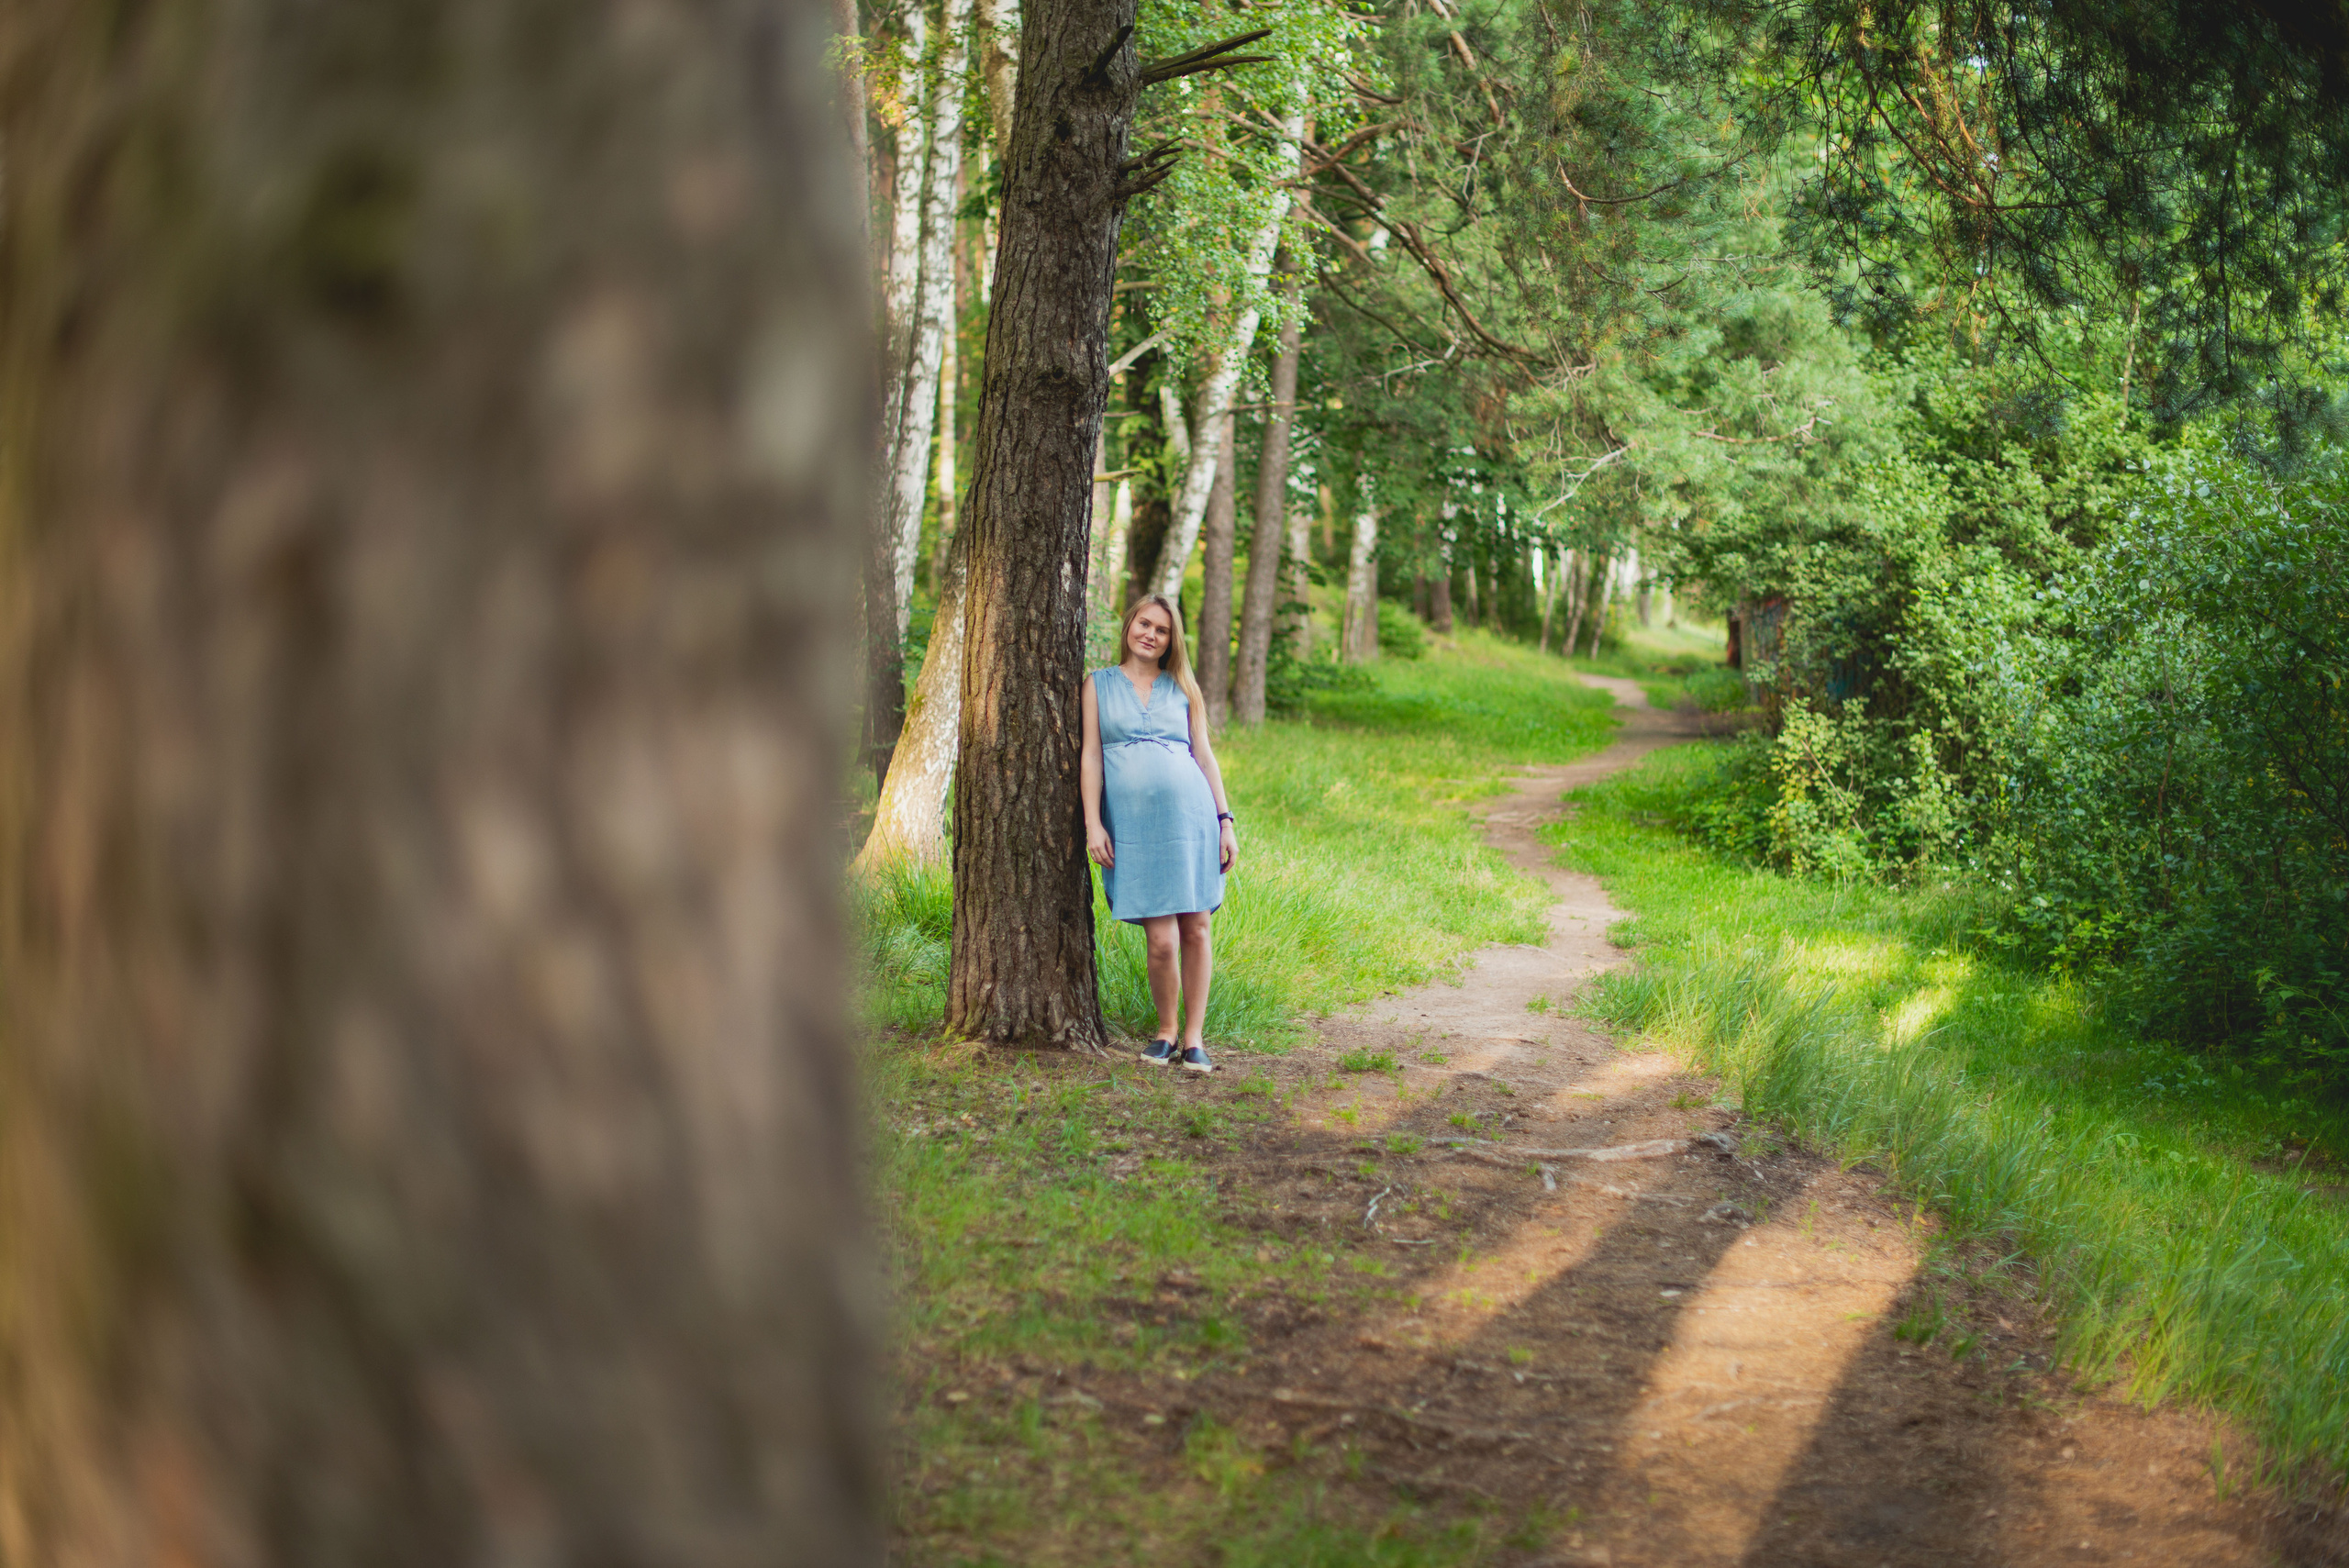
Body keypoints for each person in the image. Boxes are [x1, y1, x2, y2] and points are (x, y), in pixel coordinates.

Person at [1079, 595, 1238, 1073]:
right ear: (1130, 625)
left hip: (1192, 820)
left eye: (1161, 630)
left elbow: (1204, 757)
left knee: (1196, 926)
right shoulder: (1098, 685)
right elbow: (1090, 755)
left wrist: (1225, 821)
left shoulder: (1182, 686)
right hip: (1133, 827)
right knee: (1162, 939)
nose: (1150, 634)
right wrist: (1093, 823)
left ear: (1172, 641)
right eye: (1144, 624)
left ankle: (1193, 1038)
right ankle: (1165, 1030)